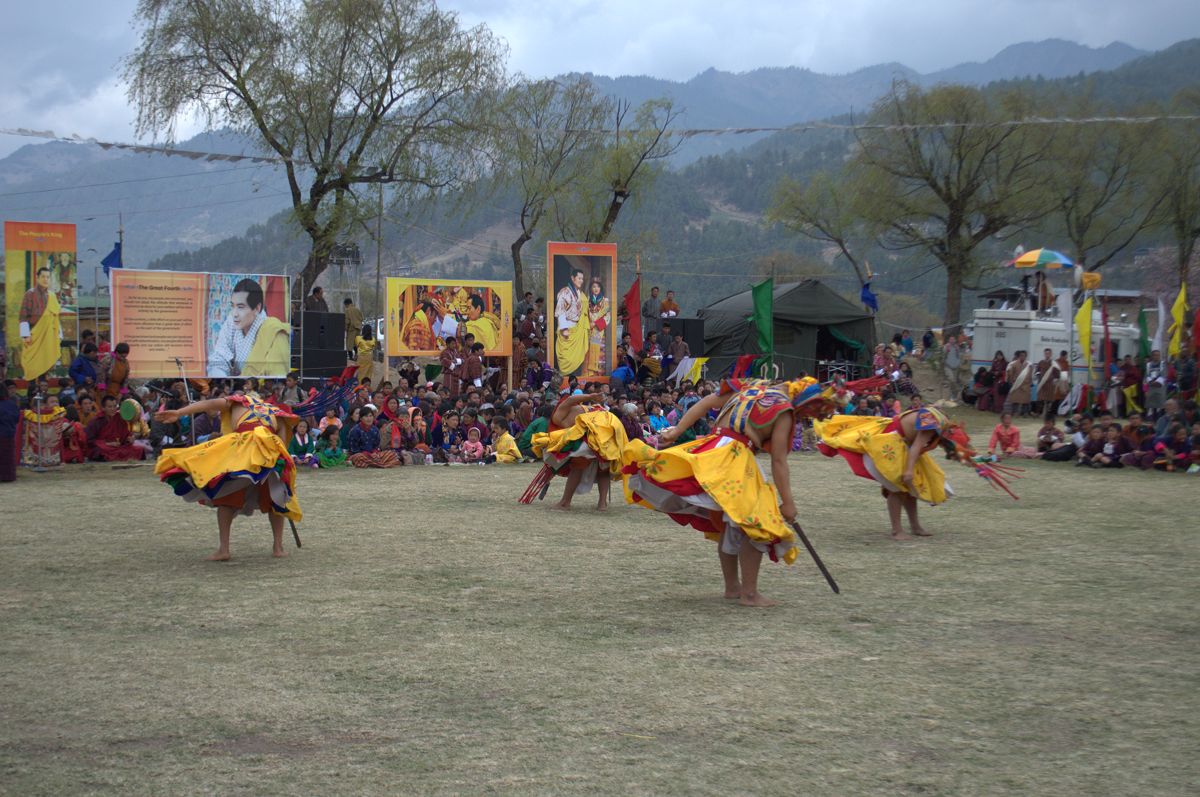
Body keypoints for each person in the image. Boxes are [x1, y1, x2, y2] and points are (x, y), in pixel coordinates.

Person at [622, 376, 845, 607]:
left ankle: (732, 587)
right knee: (755, 523)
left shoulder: (750, 389)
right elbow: (779, 461)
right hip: (735, 459)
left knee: (733, 523)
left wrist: (677, 431)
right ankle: (749, 594)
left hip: (713, 447)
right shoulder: (784, 410)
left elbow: (707, 402)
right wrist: (788, 502)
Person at [817, 405, 1017, 540]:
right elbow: (916, 447)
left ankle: (915, 526)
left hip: (900, 443)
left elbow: (950, 451)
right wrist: (909, 470)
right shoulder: (933, 425)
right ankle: (897, 531)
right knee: (896, 486)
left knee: (910, 489)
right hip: (889, 441)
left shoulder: (940, 425)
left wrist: (976, 463)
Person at [154, 393, 301, 560]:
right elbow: (282, 448)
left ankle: (225, 549)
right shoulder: (276, 414)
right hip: (269, 453)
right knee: (276, 500)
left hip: (240, 452)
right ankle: (278, 547)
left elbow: (209, 403)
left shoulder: (239, 401)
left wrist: (180, 413)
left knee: (228, 498)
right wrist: (285, 477)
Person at [525, 390, 629, 511]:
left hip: (596, 424)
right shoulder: (579, 412)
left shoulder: (558, 415)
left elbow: (569, 400)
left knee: (578, 465)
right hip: (610, 422)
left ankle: (565, 502)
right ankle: (602, 504)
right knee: (603, 464)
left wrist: (590, 396)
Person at [208, 280, 290, 377]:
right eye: (233, 306)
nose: (235, 313)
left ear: (257, 308)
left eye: (240, 307)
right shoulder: (232, 321)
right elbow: (219, 356)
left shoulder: (273, 331)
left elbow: (278, 375)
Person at [19, 266, 62, 380]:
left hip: (48, 337)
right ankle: (32, 390)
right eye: (43, 276)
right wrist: (25, 335)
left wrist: (58, 334)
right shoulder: (30, 294)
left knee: (46, 365)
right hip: (34, 336)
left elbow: (55, 317)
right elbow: (23, 315)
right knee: (31, 366)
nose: (45, 279)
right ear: (37, 278)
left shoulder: (52, 296)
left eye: (48, 277)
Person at [85, 395, 145, 462]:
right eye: (110, 407)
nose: (113, 409)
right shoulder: (96, 421)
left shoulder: (119, 418)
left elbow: (125, 435)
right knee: (100, 451)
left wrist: (129, 439)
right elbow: (90, 441)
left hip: (117, 447)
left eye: (114, 406)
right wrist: (108, 444)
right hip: (105, 447)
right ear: (103, 408)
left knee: (139, 449)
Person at [554, 269, 588, 376]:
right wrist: (564, 329)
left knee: (577, 359)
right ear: (573, 278)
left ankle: (575, 378)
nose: (581, 281)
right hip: (567, 328)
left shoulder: (580, 293)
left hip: (577, 328)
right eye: (579, 278)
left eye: (582, 279)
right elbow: (560, 311)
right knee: (567, 359)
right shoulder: (565, 292)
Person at [583, 278, 611, 377]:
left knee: (597, 351)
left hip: (598, 331)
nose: (596, 288)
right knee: (587, 351)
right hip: (588, 329)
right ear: (590, 288)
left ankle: (596, 374)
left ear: (601, 288)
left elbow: (607, 317)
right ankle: (587, 373)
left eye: (598, 286)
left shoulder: (605, 301)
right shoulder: (586, 300)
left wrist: (594, 324)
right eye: (594, 286)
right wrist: (587, 324)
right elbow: (583, 315)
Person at [1004, 350, 1033, 416]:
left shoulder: (1029, 365)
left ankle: (1024, 413)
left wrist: (1028, 382)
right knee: (1015, 399)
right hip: (1016, 384)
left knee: (1025, 400)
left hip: (1025, 384)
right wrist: (1012, 381)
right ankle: (1015, 412)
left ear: (1026, 357)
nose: (1022, 357)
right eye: (1021, 355)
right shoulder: (1014, 364)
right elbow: (1011, 374)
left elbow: (1030, 375)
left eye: (1024, 356)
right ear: (1019, 356)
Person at [0, 384, 18, 483]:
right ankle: (8, 476)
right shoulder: (12, 403)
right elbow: (16, 418)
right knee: (7, 456)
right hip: (8, 433)